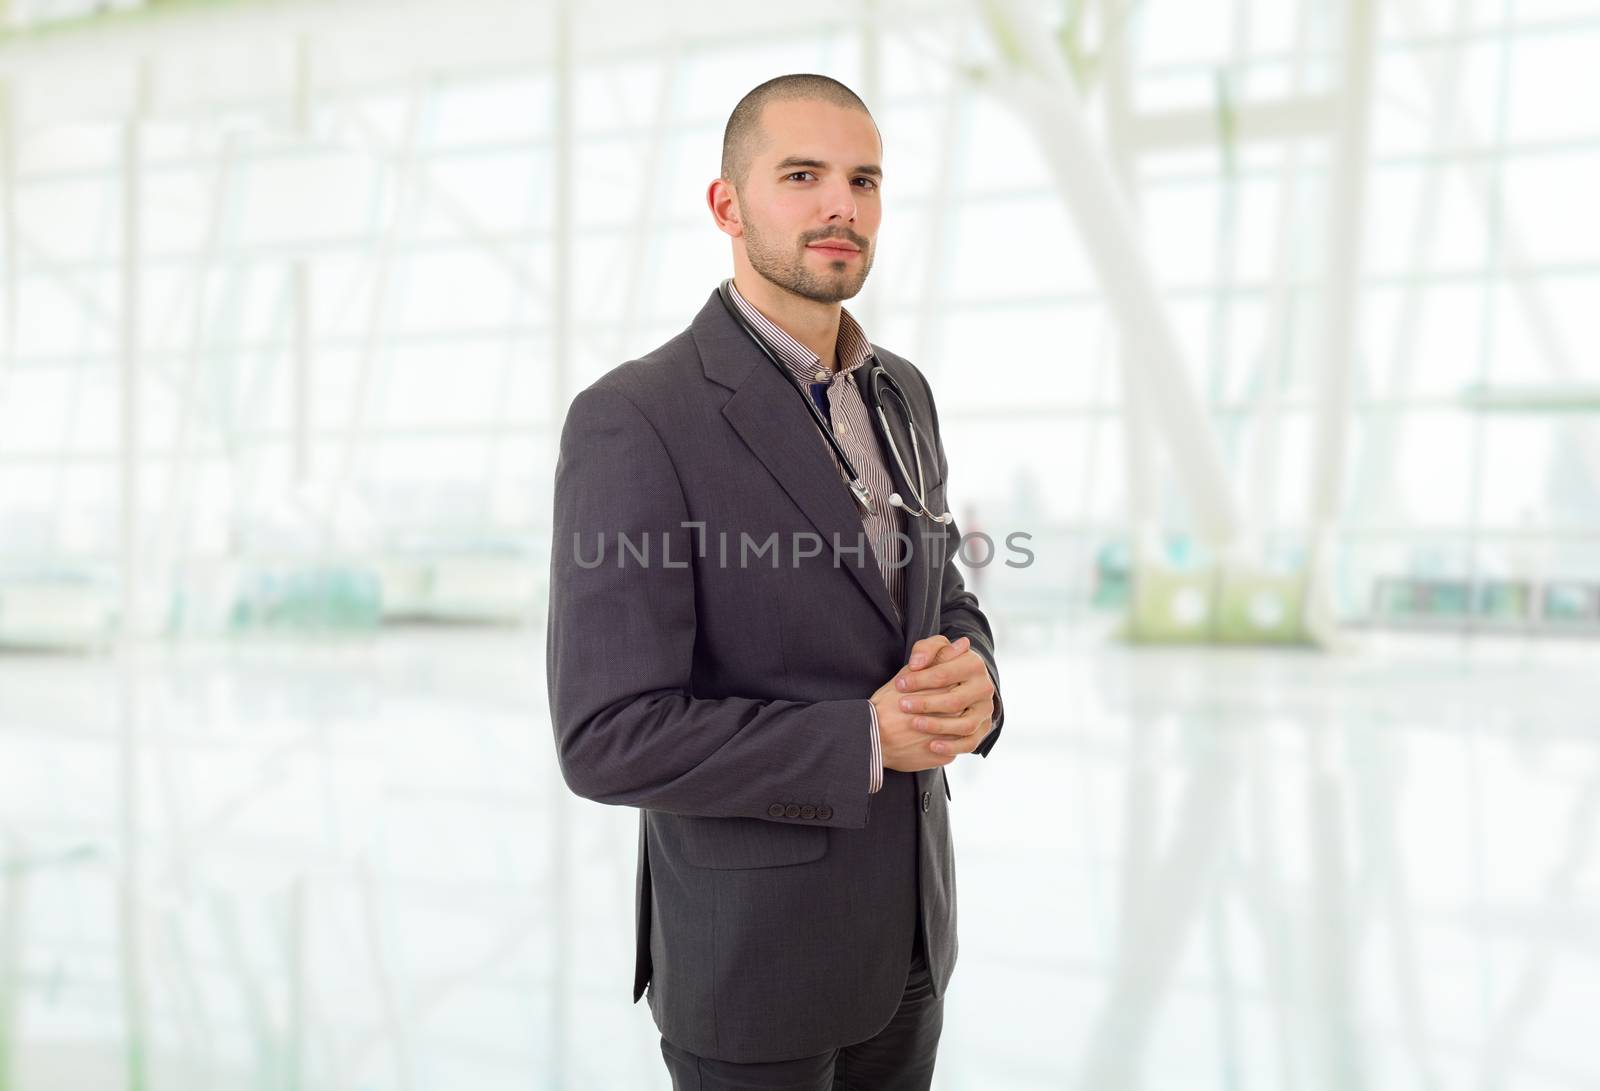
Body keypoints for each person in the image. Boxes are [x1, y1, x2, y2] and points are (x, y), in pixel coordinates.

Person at [545, 73, 1005, 1090]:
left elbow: (936, 594)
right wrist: (860, 738)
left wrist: (974, 674)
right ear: (727, 205)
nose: (841, 204)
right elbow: (606, 736)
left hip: (912, 946)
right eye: (802, 176)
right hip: (755, 968)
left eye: (863, 179)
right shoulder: (638, 417)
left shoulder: (903, 393)